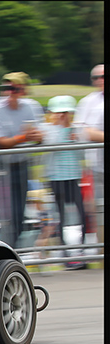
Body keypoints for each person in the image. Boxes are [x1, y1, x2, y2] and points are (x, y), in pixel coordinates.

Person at [0, 72, 45, 247]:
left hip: (22, 163)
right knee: (6, 211)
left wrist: (36, 136)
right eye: (7, 88)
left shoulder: (31, 106)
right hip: (3, 166)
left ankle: (14, 247)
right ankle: (5, 245)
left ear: (23, 90)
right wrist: (24, 137)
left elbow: (40, 136)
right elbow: (0, 141)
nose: (10, 92)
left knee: (19, 210)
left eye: (15, 88)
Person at [41, 95, 87, 269]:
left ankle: (81, 248)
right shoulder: (48, 129)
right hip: (56, 178)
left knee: (80, 212)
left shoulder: (76, 130)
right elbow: (51, 144)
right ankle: (64, 251)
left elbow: (82, 154)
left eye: (67, 113)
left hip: (73, 177)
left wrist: (76, 136)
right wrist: (61, 127)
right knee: (60, 215)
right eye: (61, 113)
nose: (64, 116)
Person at [74, 63, 104, 241]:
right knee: (100, 209)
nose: (101, 80)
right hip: (97, 165)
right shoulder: (88, 102)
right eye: (97, 77)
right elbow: (83, 131)